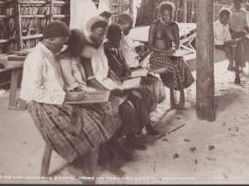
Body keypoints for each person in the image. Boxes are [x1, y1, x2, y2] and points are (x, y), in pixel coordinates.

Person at [19, 21, 117, 180]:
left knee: (99, 113)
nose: (64, 45)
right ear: (50, 39)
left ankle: (88, 163)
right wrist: (67, 97)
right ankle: (85, 172)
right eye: (62, 41)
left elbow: (57, 83)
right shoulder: (36, 57)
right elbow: (35, 93)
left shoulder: (50, 54)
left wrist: (71, 94)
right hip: (42, 106)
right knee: (90, 127)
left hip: (56, 99)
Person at [80, 16, 149, 158]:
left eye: (103, 34)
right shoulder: (86, 50)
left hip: (107, 84)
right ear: (90, 32)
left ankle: (129, 139)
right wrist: (110, 91)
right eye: (98, 34)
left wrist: (119, 83)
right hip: (96, 89)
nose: (101, 37)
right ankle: (113, 145)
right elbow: (90, 79)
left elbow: (108, 71)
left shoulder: (100, 48)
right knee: (127, 107)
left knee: (136, 98)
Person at [104, 24, 159, 136]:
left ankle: (145, 126)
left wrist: (136, 73)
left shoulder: (116, 48)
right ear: (110, 37)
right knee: (138, 97)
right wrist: (129, 79)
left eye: (120, 37)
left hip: (125, 79)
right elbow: (113, 73)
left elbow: (125, 67)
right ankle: (134, 134)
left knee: (145, 92)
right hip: (116, 83)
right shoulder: (106, 51)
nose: (120, 40)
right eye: (118, 38)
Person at [148, 1, 195, 109]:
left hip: (171, 53)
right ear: (160, 14)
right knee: (173, 67)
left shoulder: (174, 26)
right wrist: (164, 51)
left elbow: (177, 44)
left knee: (181, 63)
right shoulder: (155, 26)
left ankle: (182, 95)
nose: (168, 17)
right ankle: (173, 99)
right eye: (165, 15)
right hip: (157, 56)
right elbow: (150, 46)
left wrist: (173, 50)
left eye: (170, 15)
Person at [116, 13, 166, 111]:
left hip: (135, 68)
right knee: (152, 84)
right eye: (129, 26)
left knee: (157, 81)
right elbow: (127, 64)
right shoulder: (117, 41)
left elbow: (135, 59)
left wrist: (147, 52)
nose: (131, 28)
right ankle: (146, 112)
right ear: (122, 25)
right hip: (129, 73)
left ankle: (148, 110)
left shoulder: (126, 38)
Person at [213, 8, 244, 85]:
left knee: (235, 44)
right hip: (217, 43)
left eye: (228, 19)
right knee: (227, 47)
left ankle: (231, 64)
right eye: (225, 19)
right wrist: (225, 42)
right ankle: (231, 64)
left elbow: (228, 36)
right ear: (220, 17)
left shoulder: (226, 25)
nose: (227, 21)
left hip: (225, 42)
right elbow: (212, 39)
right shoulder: (214, 25)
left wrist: (231, 41)